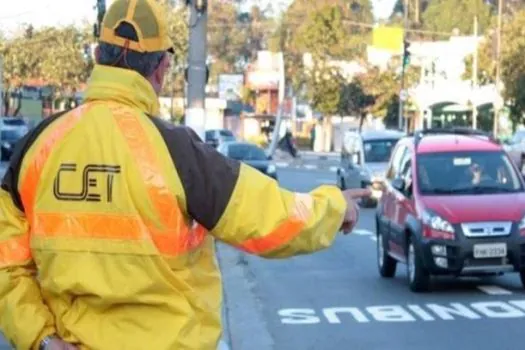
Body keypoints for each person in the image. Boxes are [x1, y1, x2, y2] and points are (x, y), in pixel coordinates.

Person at [0, 0, 370, 349]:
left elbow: (6, 263)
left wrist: (43, 339)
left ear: (98, 57)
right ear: (161, 69)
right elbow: (270, 218)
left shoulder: (37, 148)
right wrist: (336, 208)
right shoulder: (175, 150)